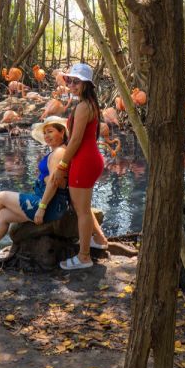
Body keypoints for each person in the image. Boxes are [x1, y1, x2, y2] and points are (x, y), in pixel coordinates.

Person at [0, 116, 71, 266]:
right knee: (3, 215)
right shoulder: (56, 152)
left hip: (50, 206)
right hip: (48, 202)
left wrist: (41, 208)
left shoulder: (59, 152)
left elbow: (54, 182)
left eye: (51, 131)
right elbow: (53, 180)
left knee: (2, 196)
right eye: (45, 132)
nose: (47, 136)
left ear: (62, 132)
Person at [52, 63, 110, 270]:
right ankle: (100, 240)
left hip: (84, 160)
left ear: (87, 84)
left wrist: (62, 166)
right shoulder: (89, 104)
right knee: (83, 207)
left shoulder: (84, 106)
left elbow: (75, 140)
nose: (72, 85)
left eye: (77, 81)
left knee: (82, 211)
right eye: (69, 80)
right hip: (89, 158)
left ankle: (84, 256)